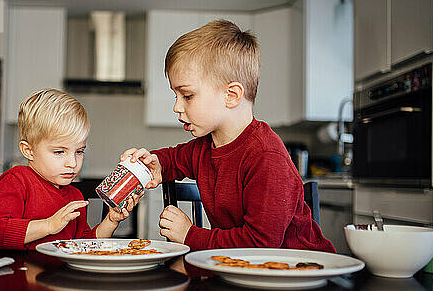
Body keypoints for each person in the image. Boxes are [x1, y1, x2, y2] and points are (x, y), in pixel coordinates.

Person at [121, 20, 334, 252]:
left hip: (299, 273)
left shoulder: (266, 156)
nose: (176, 107)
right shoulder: (205, 147)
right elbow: (173, 159)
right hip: (244, 269)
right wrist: (155, 164)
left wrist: (189, 234)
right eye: (176, 96)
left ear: (231, 95)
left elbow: (260, 245)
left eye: (187, 95)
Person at [0, 89, 139, 250]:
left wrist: (111, 221)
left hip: (59, 275)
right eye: (59, 152)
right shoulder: (16, 180)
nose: (72, 163)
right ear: (28, 150)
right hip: (19, 274)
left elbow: (84, 245)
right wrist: (48, 225)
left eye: (79, 151)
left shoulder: (74, 196)